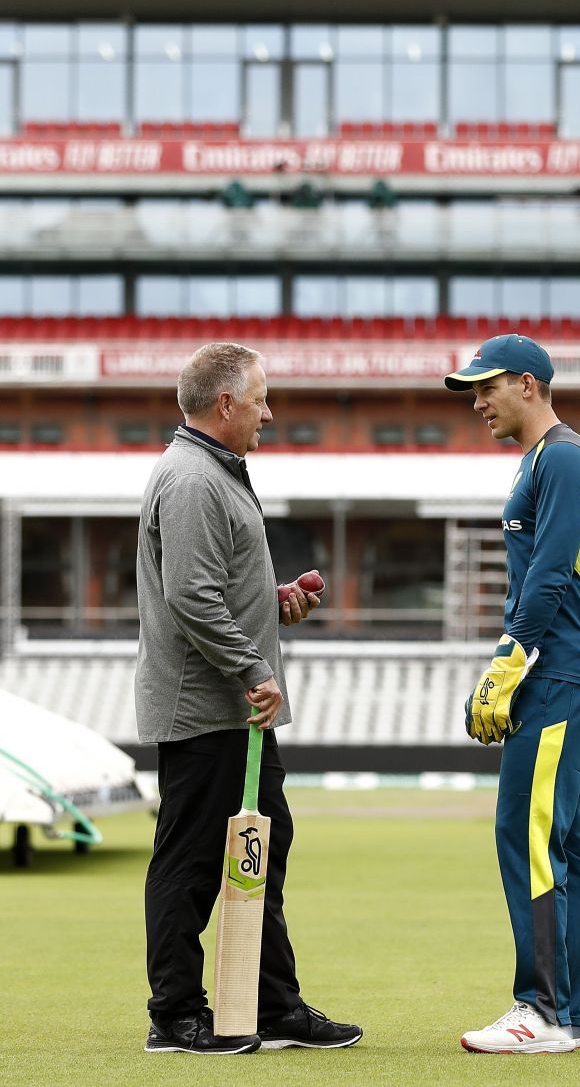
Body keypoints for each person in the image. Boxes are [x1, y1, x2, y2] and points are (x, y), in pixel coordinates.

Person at [135, 342, 362, 1055]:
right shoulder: (195, 480)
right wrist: (250, 665)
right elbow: (191, 596)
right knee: (194, 861)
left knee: (263, 850)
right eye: (261, 398)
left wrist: (274, 599)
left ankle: (270, 1003)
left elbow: (216, 585)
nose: (270, 411)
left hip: (230, 710)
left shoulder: (213, 473)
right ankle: (174, 1013)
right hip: (206, 709)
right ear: (225, 404)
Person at [443, 334, 580, 1054]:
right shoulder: (547, 459)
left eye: (485, 388)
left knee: (526, 832)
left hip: (559, 669)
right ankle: (564, 1017)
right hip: (567, 665)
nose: (478, 403)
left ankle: (540, 1011)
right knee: (564, 844)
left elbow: (548, 575)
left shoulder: (564, 456)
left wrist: (509, 659)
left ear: (527, 383)